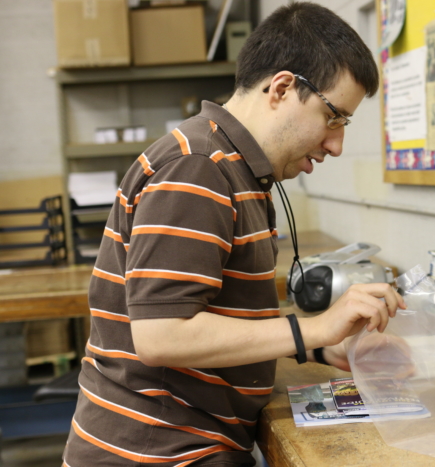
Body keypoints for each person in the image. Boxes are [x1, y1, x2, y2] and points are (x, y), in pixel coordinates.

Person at [62, 3, 405, 466]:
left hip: (187, 442)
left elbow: (213, 309)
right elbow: (162, 335)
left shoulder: (237, 169)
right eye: (333, 118)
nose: (336, 145)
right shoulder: (199, 168)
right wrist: (312, 329)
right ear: (282, 87)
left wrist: (325, 344)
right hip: (158, 452)